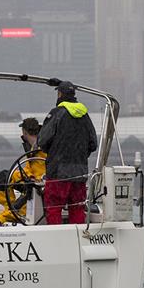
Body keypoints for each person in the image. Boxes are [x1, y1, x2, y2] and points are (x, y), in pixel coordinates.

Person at [37, 80, 97, 225]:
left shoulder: (57, 114)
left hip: (58, 173)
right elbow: (93, 143)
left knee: (54, 207)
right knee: (77, 208)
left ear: (60, 94)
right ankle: (76, 237)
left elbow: (42, 140)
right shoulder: (85, 116)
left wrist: (51, 151)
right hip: (80, 173)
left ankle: (56, 238)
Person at [0, 117, 47, 225]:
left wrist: (31, 178)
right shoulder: (34, 145)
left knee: (29, 190)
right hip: (31, 177)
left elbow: (42, 168)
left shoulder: (43, 146)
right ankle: (10, 209)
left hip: (40, 182)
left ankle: (5, 217)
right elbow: (29, 166)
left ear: (25, 132)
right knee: (5, 176)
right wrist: (27, 175)